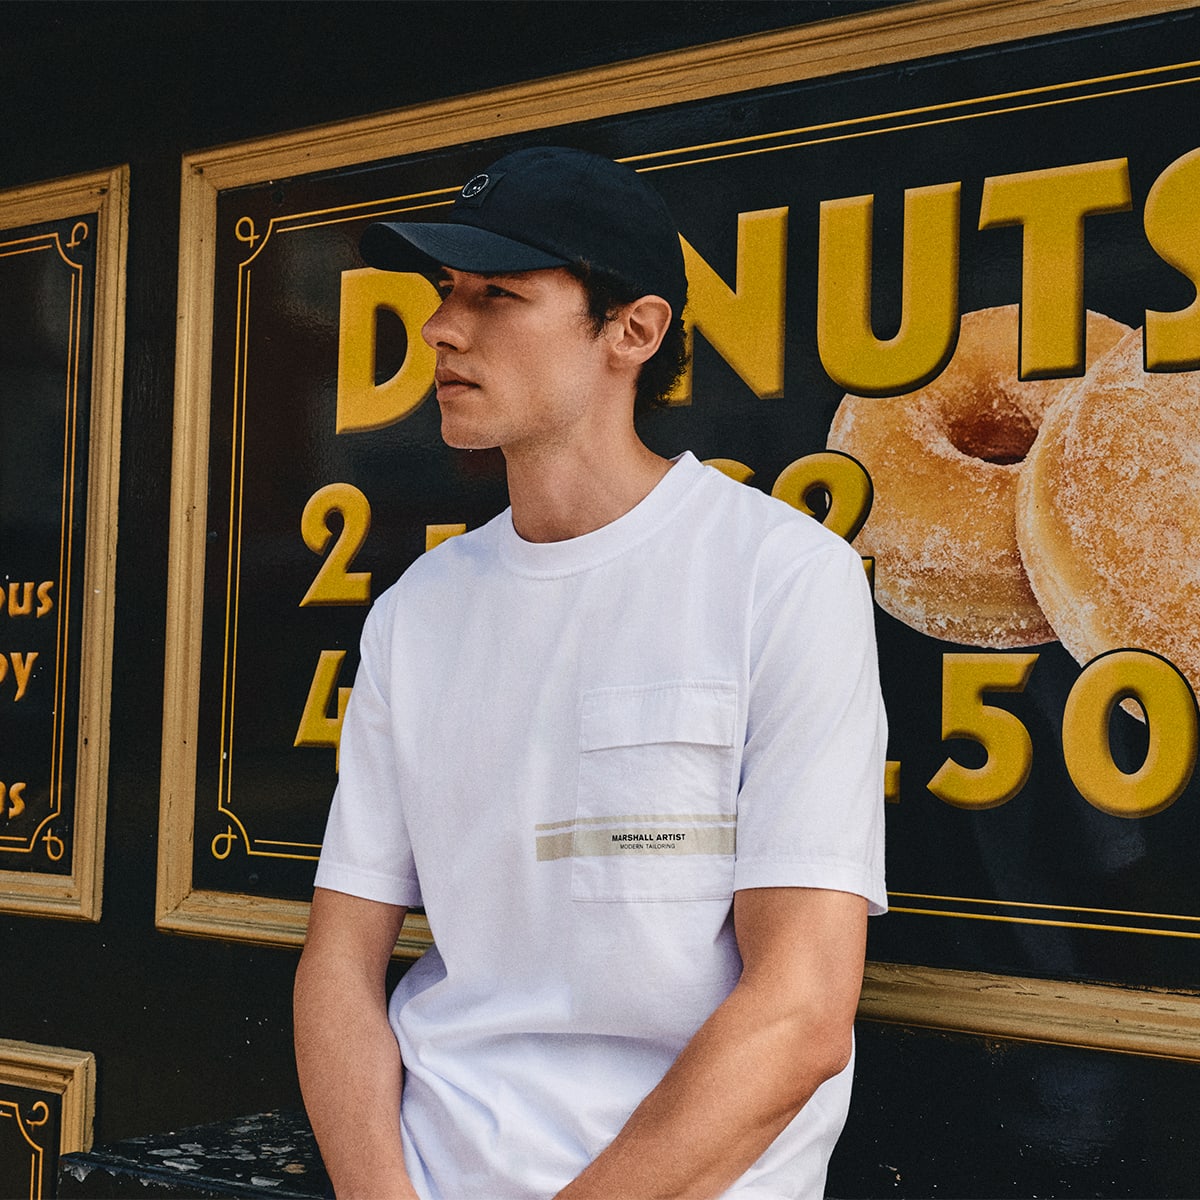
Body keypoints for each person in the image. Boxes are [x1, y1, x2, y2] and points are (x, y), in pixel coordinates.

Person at [293, 145, 887, 1200]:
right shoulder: (416, 618)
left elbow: (801, 1011)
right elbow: (339, 962)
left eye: (499, 295)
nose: (441, 327)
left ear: (634, 331)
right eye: (444, 293)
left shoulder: (781, 579)